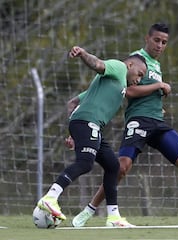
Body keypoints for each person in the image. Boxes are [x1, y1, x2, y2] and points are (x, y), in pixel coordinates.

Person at [71, 22, 178, 227]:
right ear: (147, 39)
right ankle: (89, 210)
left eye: (164, 42)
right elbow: (128, 91)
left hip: (157, 122)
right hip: (138, 121)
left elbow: (146, 93)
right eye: (156, 40)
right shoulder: (135, 61)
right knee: (121, 168)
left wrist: (157, 102)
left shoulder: (156, 65)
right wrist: (158, 86)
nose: (160, 45)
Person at [36, 46, 147, 227]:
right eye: (139, 74)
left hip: (87, 125)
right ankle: (50, 197)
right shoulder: (119, 68)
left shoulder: (110, 84)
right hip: (88, 122)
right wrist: (82, 54)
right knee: (85, 163)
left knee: (113, 166)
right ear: (131, 65)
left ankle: (113, 218)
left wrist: (73, 132)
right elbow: (98, 64)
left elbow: (73, 102)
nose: (139, 79)